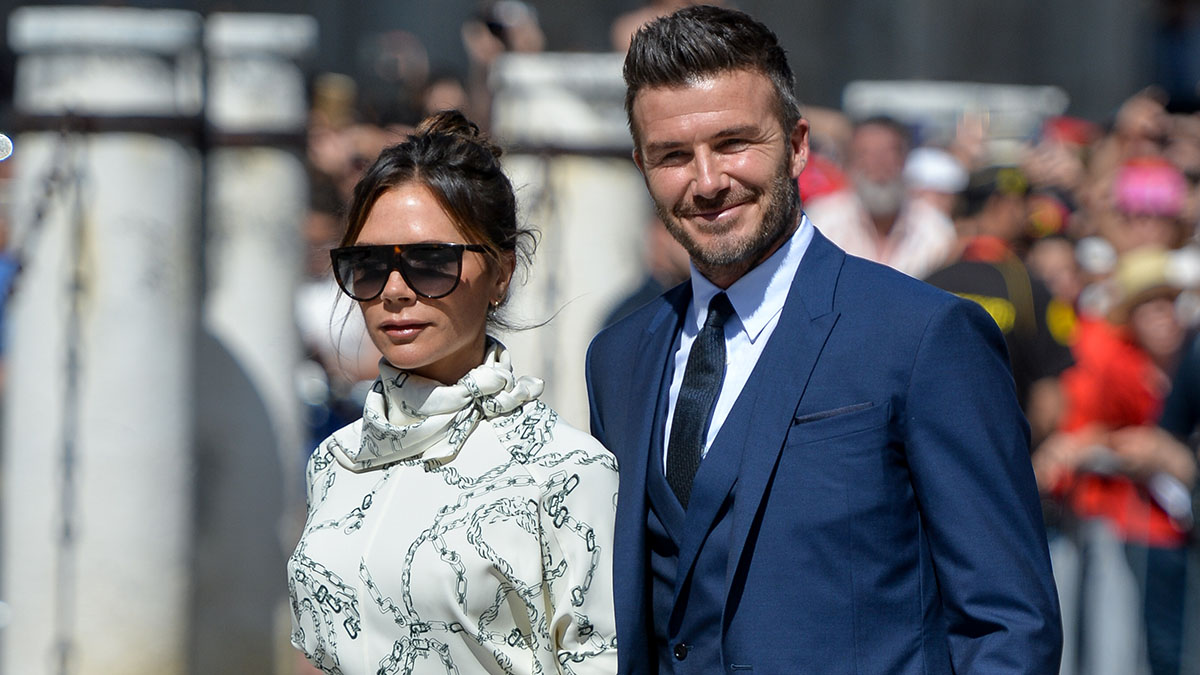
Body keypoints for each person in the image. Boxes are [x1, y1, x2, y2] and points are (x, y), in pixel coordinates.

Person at [584, 6, 1062, 674]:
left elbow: (1008, 624)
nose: (708, 180)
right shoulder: (619, 357)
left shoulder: (922, 336)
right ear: (641, 165)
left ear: (799, 144)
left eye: (733, 143)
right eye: (672, 155)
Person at [287, 110, 618, 674]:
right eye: (366, 265)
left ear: (501, 273)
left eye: (430, 261)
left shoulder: (565, 471)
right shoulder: (336, 461)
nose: (394, 290)